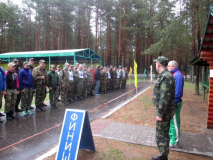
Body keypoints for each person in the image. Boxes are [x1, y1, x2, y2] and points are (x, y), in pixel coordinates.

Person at [152, 56, 176, 160]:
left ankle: (163, 157)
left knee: (161, 135)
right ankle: (163, 155)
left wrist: (160, 114)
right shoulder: (163, 75)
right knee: (162, 134)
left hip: (164, 111)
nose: (155, 65)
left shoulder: (166, 76)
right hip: (163, 110)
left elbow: (164, 97)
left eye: (156, 63)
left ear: (158, 64)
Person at [167, 61, 184, 148]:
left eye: (169, 66)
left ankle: (175, 142)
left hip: (175, 103)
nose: (167, 67)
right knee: (172, 121)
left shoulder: (177, 75)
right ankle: (171, 138)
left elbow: (178, 91)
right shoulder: (174, 75)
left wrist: (175, 102)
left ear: (174, 66)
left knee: (175, 122)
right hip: (172, 102)